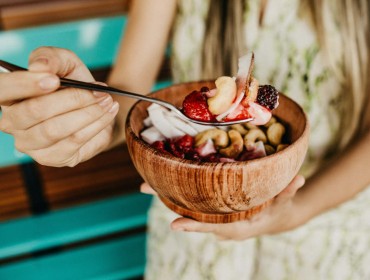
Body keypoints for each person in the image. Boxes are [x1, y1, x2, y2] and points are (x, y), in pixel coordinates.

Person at [0, 0, 369, 279]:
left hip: (325, 221)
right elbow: (128, 92)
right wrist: (87, 119)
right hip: (191, 214)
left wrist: (297, 211)